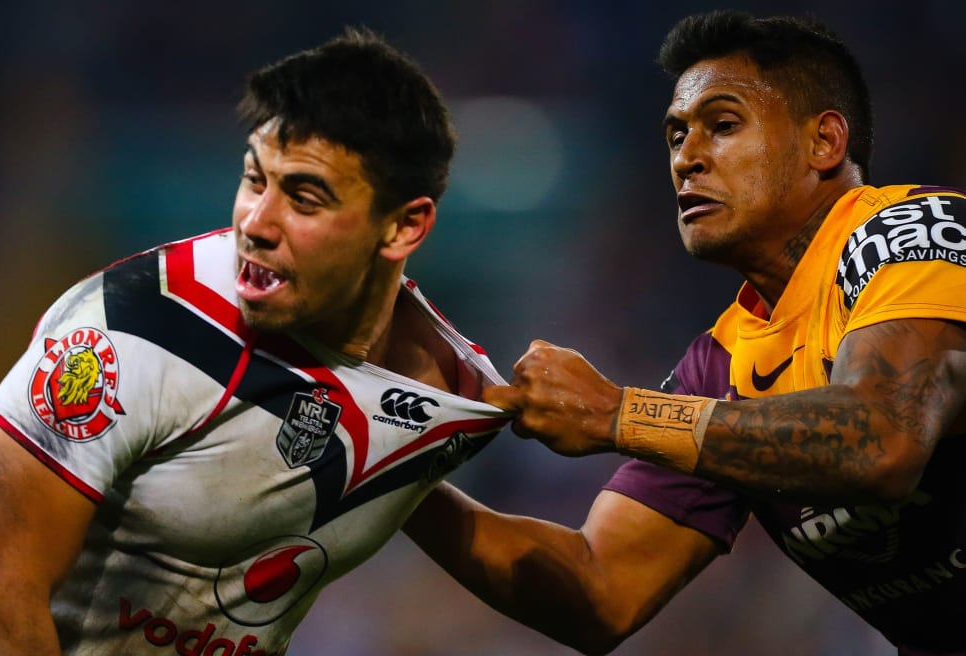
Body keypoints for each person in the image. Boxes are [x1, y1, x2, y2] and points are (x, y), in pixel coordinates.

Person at [0, 28, 509, 655]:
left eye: (304, 200)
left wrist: (624, 422)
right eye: (255, 180)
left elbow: (597, 601)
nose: (255, 223)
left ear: (404, 226)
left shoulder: (444, 394)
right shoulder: (131, 328)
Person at [403, 10, 966, 656]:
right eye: (675, 137)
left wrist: (618, 412)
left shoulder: (914, 233)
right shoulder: (723, 365)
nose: (686, 159)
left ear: (825, 142)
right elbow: (601, 588)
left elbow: (881, 438)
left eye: (723, 126)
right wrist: (395, 476)